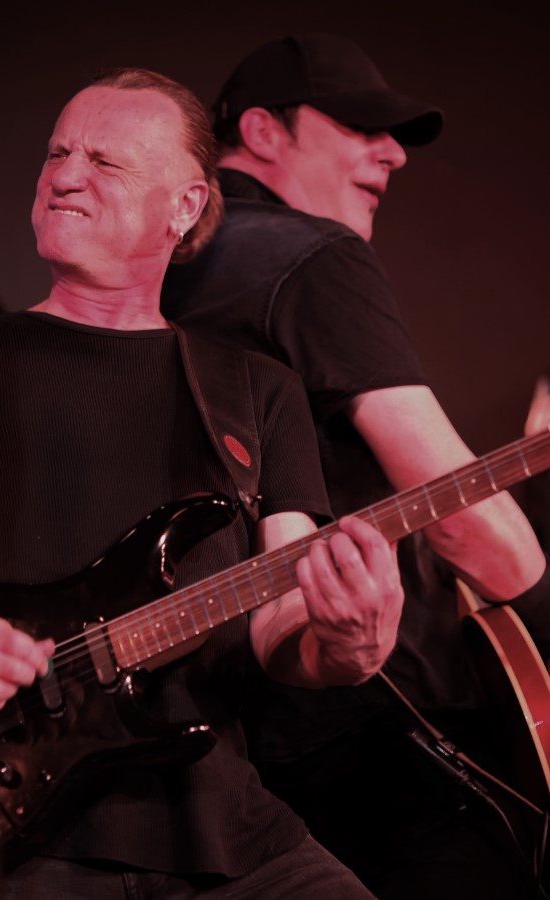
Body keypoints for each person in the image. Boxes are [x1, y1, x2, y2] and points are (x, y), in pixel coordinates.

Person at [0, 67, 406, 899]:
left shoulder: (256, 391)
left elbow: (279, 627)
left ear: (185, 205)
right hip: (16, 829)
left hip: (225, 832)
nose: (64, 176)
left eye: (104, 162)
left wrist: (348, 645)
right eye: (56, 153)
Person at [161, 33, 547, 899]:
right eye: (360, 127)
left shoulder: (152, 269)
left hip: (202, 738)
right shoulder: (309, 256)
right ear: (261, 130)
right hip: (367, 720)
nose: (393, 154)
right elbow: (462, 520)